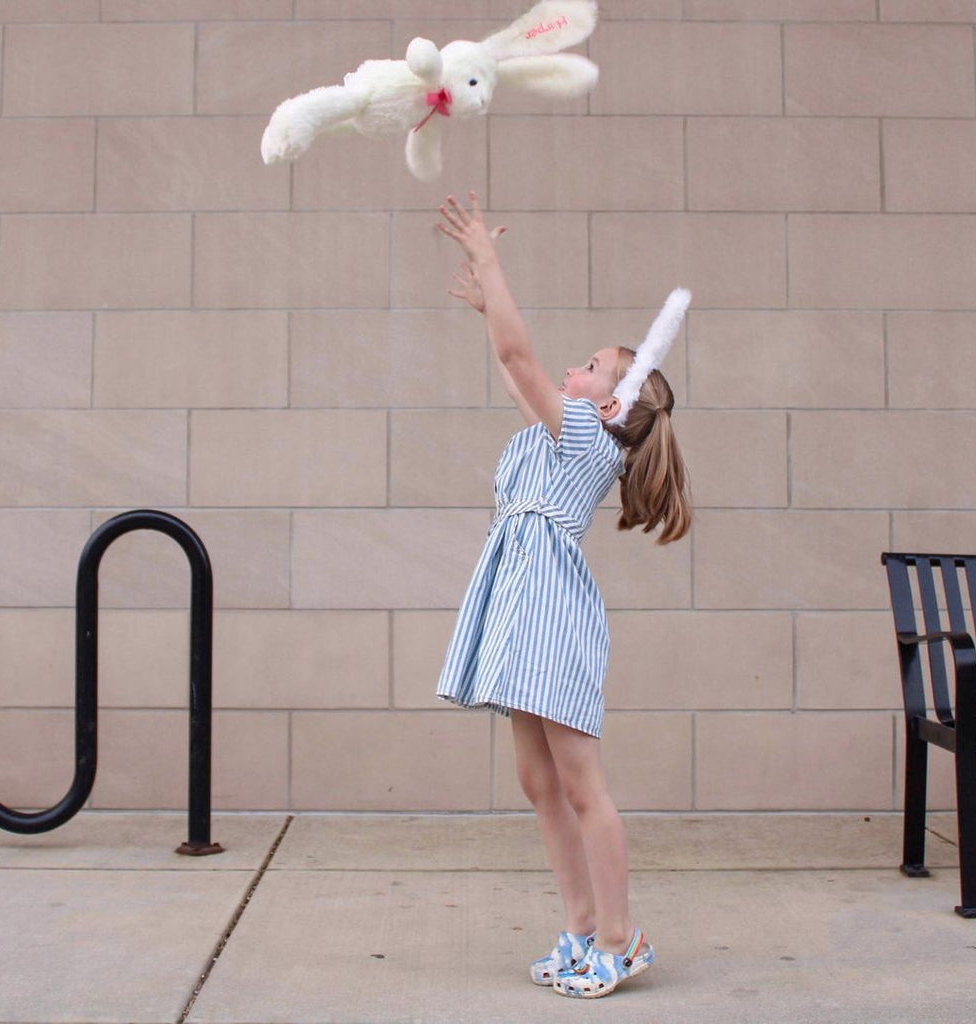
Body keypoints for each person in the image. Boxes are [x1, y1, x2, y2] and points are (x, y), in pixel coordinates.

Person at [435, 192, 691, 999]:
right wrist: (490, 306)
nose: (571, 371)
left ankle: (619, 937)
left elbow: (520, 362)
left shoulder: (587, 440)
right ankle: (581, 926)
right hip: (521, 607)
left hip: (550, 614)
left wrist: (489, 261)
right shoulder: (562, 431)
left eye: (590, 366)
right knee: (539, 781)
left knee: (581, 784)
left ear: (609, 403)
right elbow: (515, 371)